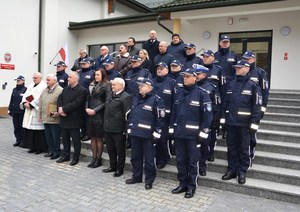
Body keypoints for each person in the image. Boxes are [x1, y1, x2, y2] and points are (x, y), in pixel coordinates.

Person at [170, 68, 213, 198]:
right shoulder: (179, 93)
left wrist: (203, 133)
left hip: (193, 137)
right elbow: (174, 113)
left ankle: (191, 187)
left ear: (195, 78)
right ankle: (182, 184)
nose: (185, 78)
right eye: (184, 76)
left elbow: (208, 116)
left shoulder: (202, 94)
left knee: (193, 162)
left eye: (188, 76)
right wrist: (172, 130)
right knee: (180, 161)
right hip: (179, 134)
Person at [221, 60, 262, 185]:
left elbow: (257, 107)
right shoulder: (230, 84)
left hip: (245, 125)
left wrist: (254, 125)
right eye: (236, 67)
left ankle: (242, 172)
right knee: (231, 148)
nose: (237, 69)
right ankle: (232, 170)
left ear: (247, 69)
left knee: (244, 149)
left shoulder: (253, 86)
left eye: (240, 67)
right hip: (231, 123)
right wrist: (224, 122)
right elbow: (225, 104)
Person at [125, 78, 166, 190]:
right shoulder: (135, 99)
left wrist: (157, 134)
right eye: (139, 86)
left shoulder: (157, 100)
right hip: (136, 134)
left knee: (149, 160)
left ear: (150, 87)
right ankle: (136, 177)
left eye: (142, 86)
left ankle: (149, 180)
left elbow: (160, 119)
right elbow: (132, 115)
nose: (139, 87)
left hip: (148, 136)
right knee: (135, 158)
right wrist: (130, 129)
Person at [194, 64, 221, 175]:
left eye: (198, 74)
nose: (196, 76)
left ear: (204, 75)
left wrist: (214, 123)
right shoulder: (191, 87)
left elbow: (216, 107)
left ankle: (202, 166)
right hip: (193, 123)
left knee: (204, 146)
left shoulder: (211, 88)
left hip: (206, 123)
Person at [242, 50, 269, 159]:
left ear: (253, 59)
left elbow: (264, 93)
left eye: (248, 59)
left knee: (251, 135)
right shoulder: (241, 71)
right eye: (244, 59)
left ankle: (250, 155)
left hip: (255, 109)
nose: (246, 61)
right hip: (243, 108)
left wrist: (262, 110)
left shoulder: (260, 72)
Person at [57, 72, 88, 166]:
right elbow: (60, 99)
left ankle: (75, 158)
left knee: (75, 140)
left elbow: (77, 103)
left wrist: (64, 109)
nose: (68, 79)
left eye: (70, 77)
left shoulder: (82, 90)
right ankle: (65, 155)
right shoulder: (65, 89)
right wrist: (60, 109)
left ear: (76, 79)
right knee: (65, 139)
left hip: (74, 119)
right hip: (64, 117)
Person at [103, 77, 132, 177]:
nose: (112, 86)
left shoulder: (126, 97)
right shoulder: (110, 95)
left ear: (121, 85)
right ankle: (112, 165)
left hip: (119, 129)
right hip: (108, 127)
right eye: (112, 85)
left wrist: (126, 130)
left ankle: (120, 168)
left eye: (114, 85)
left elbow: (127, 114)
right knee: (110, 149)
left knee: (120, 150)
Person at [152, 62, 177, 169]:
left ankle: (164, 158)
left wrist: (173, 119)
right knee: (153, 139)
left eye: (161, 68)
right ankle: (156, 158)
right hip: (152, 116)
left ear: (167, 70)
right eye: (158, 68)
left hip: (166, 118)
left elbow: (175, 102)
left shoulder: (172, 83)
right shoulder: (152, 82)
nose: (159, 70)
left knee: (163, 140)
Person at [86, 69, 110, 168]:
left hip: (99, 114)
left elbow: (106, 101)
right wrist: (87, 108)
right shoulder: (91, 85)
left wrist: (95, 110)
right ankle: (94, 158)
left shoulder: (107, 85)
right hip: (90, 113)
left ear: (103, 75)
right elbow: (88, 98)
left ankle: (98, 159)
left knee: (99, 138)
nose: (96, 76)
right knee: (92, 137)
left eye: (98, 75)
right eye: (95, 75)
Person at [20, 72, 48, 154]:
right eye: (33, 78)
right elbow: (26, 95)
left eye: (35, 78)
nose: (34, 79)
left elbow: (40, 97)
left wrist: (31, 104)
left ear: (40, 78)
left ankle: (40, 148)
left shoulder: (43, 86)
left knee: (38, 131)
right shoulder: (31, 85)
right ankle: (32, 146)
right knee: (30, 130)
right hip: (29, 110)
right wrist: (25, 102)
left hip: (36, 110)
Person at [38, 74, 63, 160]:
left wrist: (58, 113)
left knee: (55, 137)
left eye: (48, 80)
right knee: (48, 136)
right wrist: (39, 115)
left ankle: (56, 152)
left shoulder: (60, 90)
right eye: (46, 80)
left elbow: (62, 104)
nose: (47, 81)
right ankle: (51, 150)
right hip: (46, 117)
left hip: (54, 118)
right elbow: (40, 103)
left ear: (54, 81)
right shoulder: (45, 90)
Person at [78, 57, 95, 141]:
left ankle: (88, 134)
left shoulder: (92, 73)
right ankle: (83, 132)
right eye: (81, 64)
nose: (82, 65)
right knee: (81, 117)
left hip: (88, 98)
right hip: (79, 97)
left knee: (87, 117)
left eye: (84, 64)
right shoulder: (79, 73)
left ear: (89, 64)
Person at [8, 75, 27, 147]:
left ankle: (23, 141)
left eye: (19, 80)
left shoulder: (26, 89)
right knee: (16, 127)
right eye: (17, 80)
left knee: (21, 126)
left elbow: (30, 98)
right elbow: (11, 100)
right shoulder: (14, 90)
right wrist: (9, 109)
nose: (17, 82)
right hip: (15, 111)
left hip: (22, 111)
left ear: (23, 81)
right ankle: (18, 140)